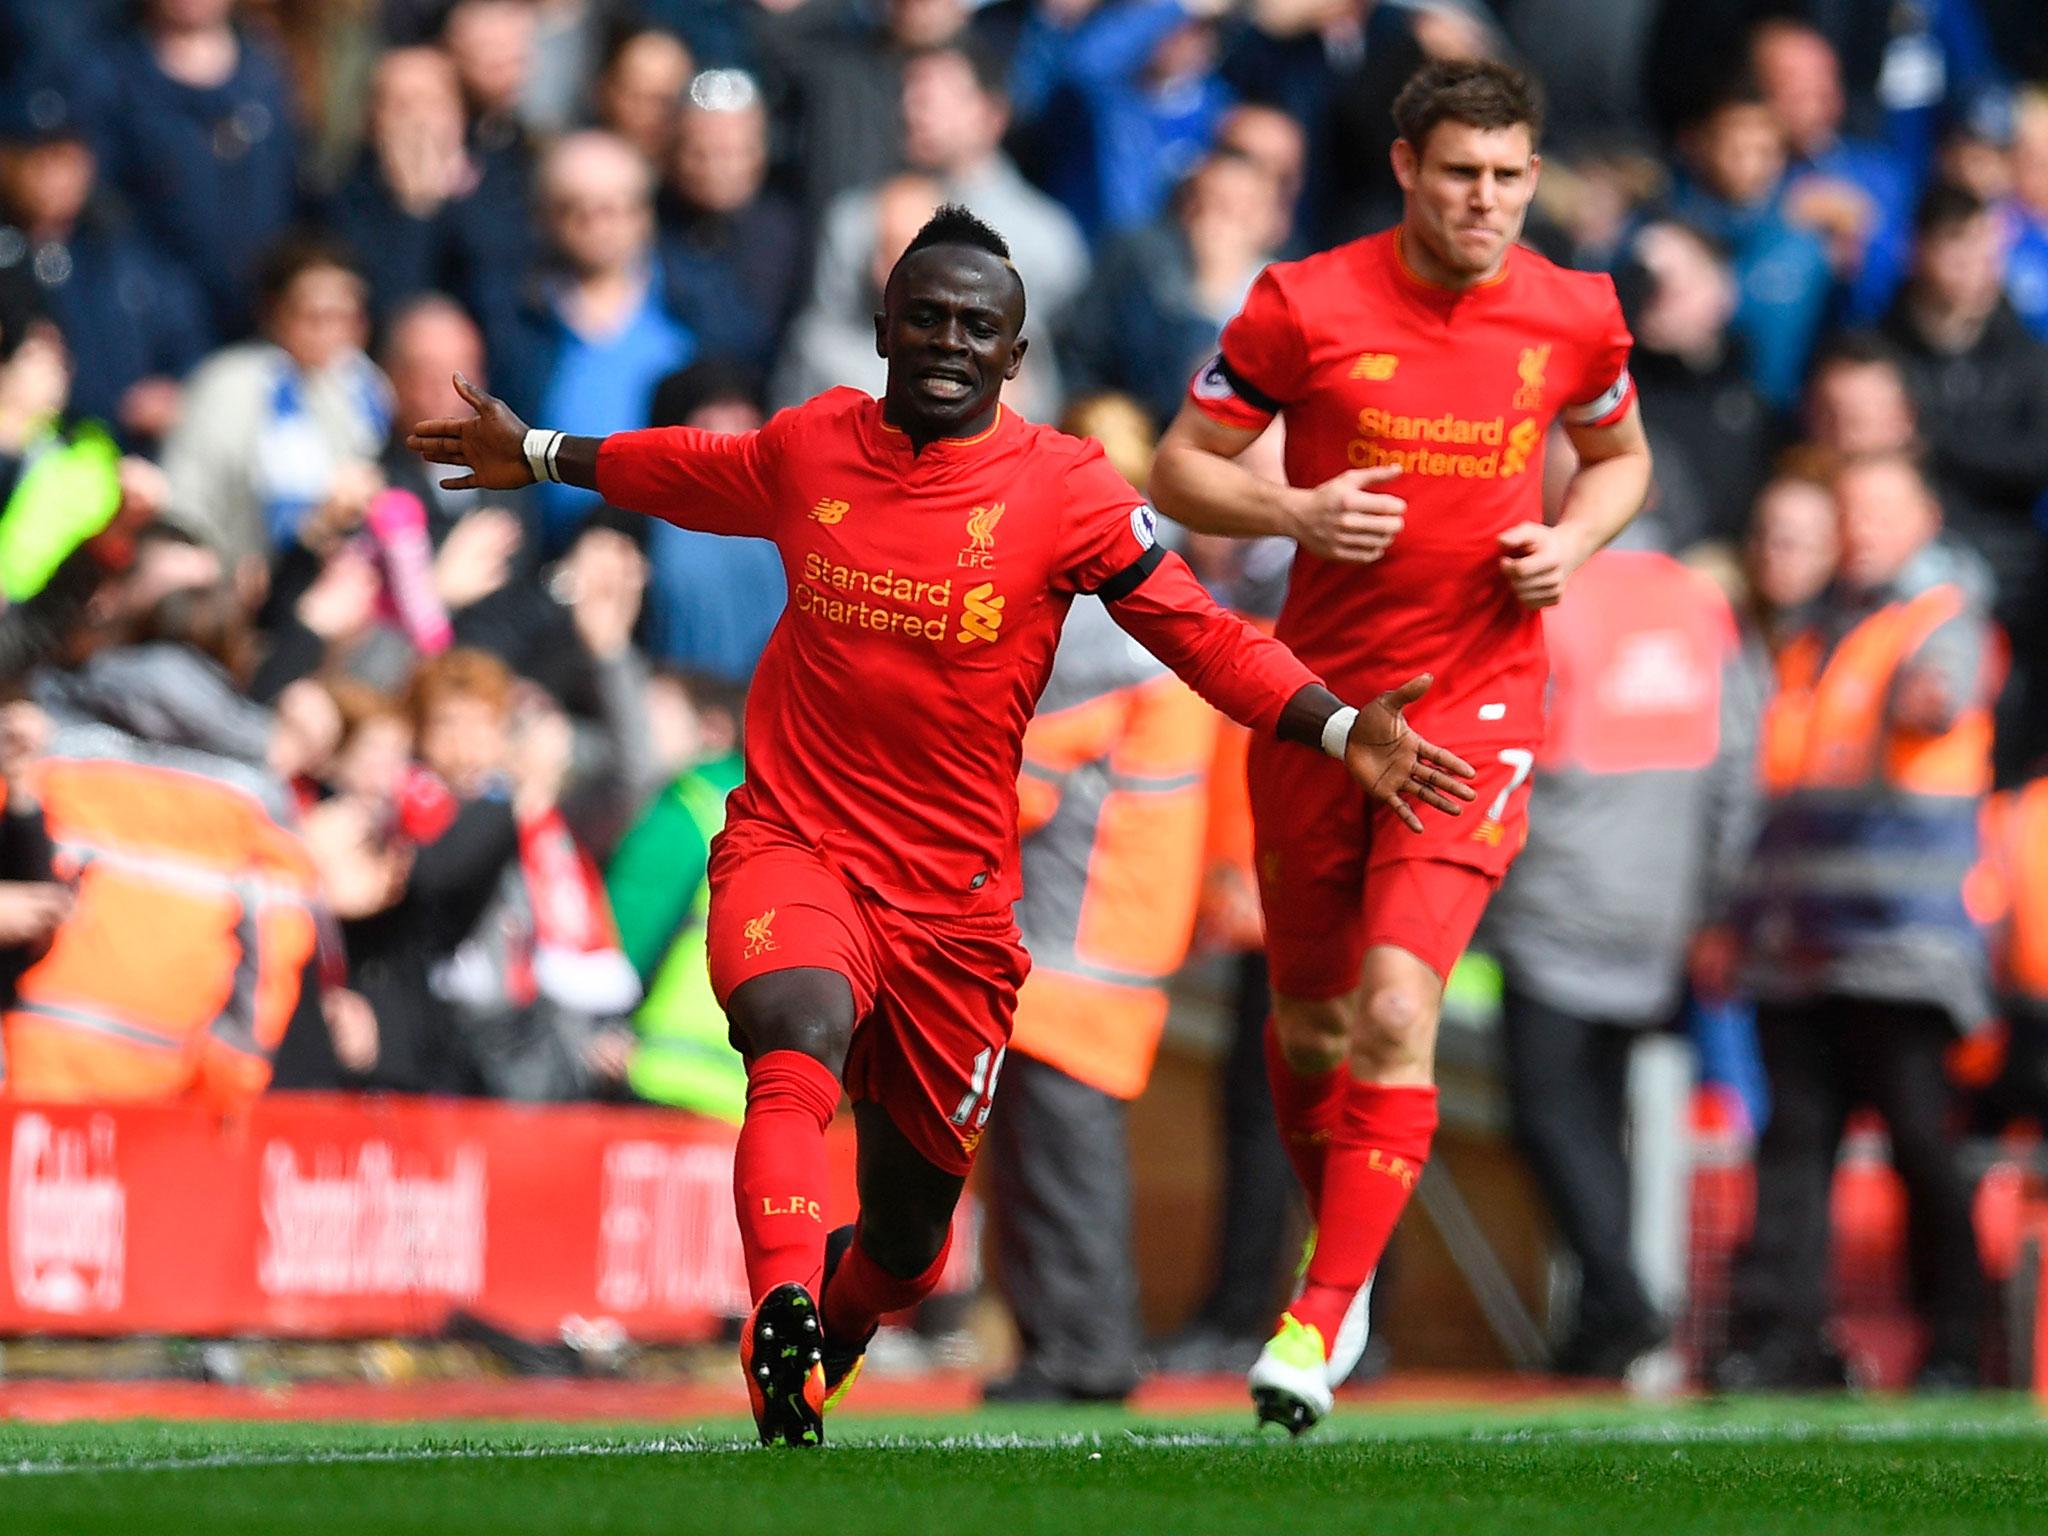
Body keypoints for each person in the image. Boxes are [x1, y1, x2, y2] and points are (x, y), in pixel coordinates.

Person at [410, 203, 1477, 1446]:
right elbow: (692, 474)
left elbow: (1197, 631)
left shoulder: (1068, 489)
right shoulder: (813, 447)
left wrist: (1343, 730)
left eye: (979, 324)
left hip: (955, 907)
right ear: (881, 327)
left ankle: (834, 1332)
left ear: (1015, 355)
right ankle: (782, 1312)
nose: (949, 339)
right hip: (793, 846)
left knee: (913, 1245)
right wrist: (537, 449)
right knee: (789, 1036)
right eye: (927, 315)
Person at [1148, 58, 1652, 1433]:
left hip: (1476, 704)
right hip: (1318, 709)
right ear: (1407, 170)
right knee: (1307, 1020)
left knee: (1390, 1005)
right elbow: (1178, 466)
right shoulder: (1303, 302)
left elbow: (1620, 460)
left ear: (1534, 176)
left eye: (1508, 176)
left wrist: (1573, 540)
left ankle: (1314, 1320)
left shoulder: (1577, 313)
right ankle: (1347, 1259)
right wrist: (1297, 513)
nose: (1485, 199)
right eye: (1459, 174)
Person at [1718, 450, 1996, 1392]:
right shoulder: (1813, 635)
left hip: (1903, 944)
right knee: (1792, 1146)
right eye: (1852, 511)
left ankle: (1960, 1340)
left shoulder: (1941, 617)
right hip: (1801, 946)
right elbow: (1780, 798)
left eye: (1883, 509)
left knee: (1921, 1138)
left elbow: (1947, 690)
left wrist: (1930, 692)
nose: (1863, 528)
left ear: (1925, 518)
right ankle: (1776, 1340)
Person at [1479, 519, 1762, 1381]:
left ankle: (1624, 1297)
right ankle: (1606, 1319)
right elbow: (1740, 760)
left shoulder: (1544, 585)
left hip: (1557, 894)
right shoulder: (1697, 601)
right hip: (1660, 901)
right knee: (1598, 1119)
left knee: (1549, 1113)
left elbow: (1498, 740)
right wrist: (1714, 894)